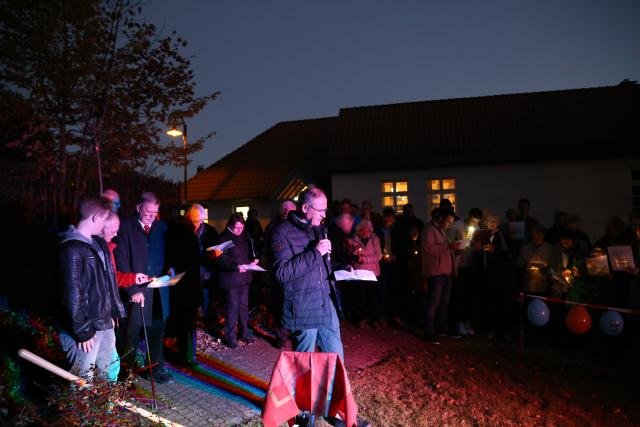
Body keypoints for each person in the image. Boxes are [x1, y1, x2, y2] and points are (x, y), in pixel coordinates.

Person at [271, 186, 344, 361]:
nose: (324, 215)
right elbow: (281, 273)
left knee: (336, 357)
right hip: (303, 307)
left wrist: (341, 267)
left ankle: (335, 388)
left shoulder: (318, 228)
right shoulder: (281, 233)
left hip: (325, 302)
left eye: (325, 210)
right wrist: (315, 252)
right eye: (320, 210)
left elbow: (319, 265)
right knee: (304, 361)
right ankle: (304, 389)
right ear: (305, 208)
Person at [57, 195, 126, 381]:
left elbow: (106, 282)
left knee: (107, 374)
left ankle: (106, 409)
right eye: (104, 219)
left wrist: (112, 313)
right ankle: (81, 410)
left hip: (104, 323)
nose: (105, 225)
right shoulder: (71, 249)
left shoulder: (99, 244)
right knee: (83, 380)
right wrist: (82, 331)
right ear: (96, 218)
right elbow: (72, 294)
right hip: (87, 330)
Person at [114, 192, 174, 384]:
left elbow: (167, 255)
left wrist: (170, 269)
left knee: (156, 334)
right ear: (139, 208)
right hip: (137, 293)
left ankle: (154, 369)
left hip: (158, 291)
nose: (151, 216)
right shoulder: (125, 228)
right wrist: (132, 290)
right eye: (148, 212)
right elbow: (121, 262)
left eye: (155, 212)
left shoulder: (161, 228)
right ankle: (126, 376)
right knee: (130, 337)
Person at [101, 211, 149, 381]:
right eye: (113, 230)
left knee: (110, 362)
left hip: (108, 315)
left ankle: (113, 393)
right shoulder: (92, 250)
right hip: (98, 318)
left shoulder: (108, 248)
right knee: (106, 362)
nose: (116, 234)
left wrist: (134, 277)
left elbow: (114, 277)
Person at [216, 213, 259, 348]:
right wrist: (236, 266)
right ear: (230, 225)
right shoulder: (222, 238)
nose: (240, 231)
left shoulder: (245, 236)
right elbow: (221, 260)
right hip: (231, 280)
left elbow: (251, 251)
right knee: (232, 308)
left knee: (243, 307)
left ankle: (244, 333)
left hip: (244, 278)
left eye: (242, 227)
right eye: (237, 228)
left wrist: (254, 259)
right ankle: (230, 337)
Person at [421, 207, 459, 343]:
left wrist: (455, 250)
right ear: (441, 218)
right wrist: (448, 246)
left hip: (446, 271)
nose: (450, 225)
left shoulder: (442, 230)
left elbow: (445, 248)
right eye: (448, 222)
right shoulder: (429, 229)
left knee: (444, 302)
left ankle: (443, 328)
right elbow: (428, 248)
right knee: (433, 302)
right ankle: (429, 331)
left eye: (451, 223)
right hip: (436, 272)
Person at [185, 204, 219, 326]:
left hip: (205, 273)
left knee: (206, 299)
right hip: (188, 273)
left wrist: (213, 255)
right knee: (190, 301)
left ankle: (208, 322)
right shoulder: (184, 231)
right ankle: (191, 323)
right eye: (193, 221)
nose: (195, 225)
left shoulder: (210, 231)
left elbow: (215, 252)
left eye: (198, 221)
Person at [350, 219, 383, 329]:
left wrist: (364, 259)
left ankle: (375, 319)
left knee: (373, 296)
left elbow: (378, 256)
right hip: (360, 272)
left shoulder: (375, 239)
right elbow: (352, 255)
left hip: (373, 273)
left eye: (368, 231)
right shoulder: (354, 239)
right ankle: (362, 318)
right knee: (361, 297)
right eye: (363, 231)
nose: (366, 233)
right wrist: (356, 256)